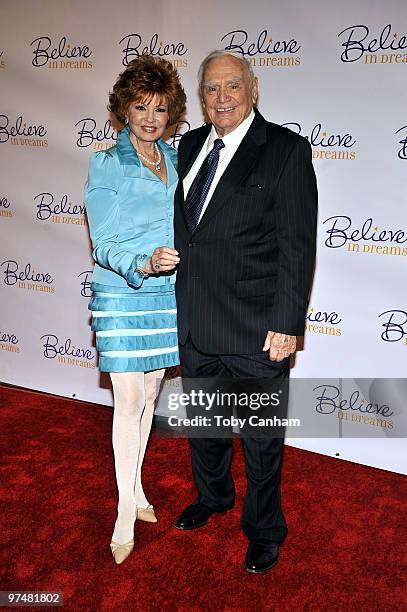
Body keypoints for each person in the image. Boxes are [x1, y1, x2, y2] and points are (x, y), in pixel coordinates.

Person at [173, 50, 317, 573]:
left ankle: (264, 528)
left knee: (260, 443)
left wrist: (288, 324)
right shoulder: (187, 146)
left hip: (257, 329)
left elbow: (297, 245)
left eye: (233, 86)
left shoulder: (285, 150)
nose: (222, 97)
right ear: (201, 96)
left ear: (253, 89)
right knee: (205, 428)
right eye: (211, 89)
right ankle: (213, 498)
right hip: (194, 322)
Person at [84, 55, 186, 564]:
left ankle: (139, 489)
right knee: (127, 399)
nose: (150, 117)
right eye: (141, 106)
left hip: (166, 294)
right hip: (123, 292)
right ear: (123, 108)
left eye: (161, 108)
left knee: (149, 394)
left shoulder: (178, 161)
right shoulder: (105, 163)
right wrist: (142, 262)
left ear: (172, 115)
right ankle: (125, 511)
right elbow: (101, 242)